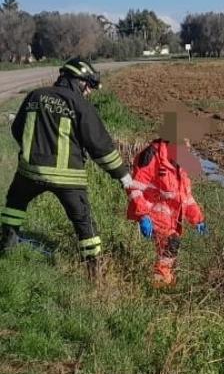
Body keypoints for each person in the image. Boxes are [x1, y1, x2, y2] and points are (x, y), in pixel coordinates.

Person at [0, 58, 131, 276]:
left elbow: (17, 129)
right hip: (68, 179)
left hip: (29, 173)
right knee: (84, 224)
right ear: (76, 80)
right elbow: (100, 146)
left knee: (14, 203)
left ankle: (7, 247)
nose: (89, 91)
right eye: (88, 85)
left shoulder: (34, 96)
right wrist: (124, 176)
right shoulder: (79, 104)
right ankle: (94, 272)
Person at [126, 133, 207, 288]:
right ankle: (160, 284)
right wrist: (143, 215)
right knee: (171, 245)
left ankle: (162, 281)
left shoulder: (180, 165)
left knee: (169, 251)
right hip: (153, 214)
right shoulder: (151, 156)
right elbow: (134, 187)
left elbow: (185, 197)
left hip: (170, 218)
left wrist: (198, 219)